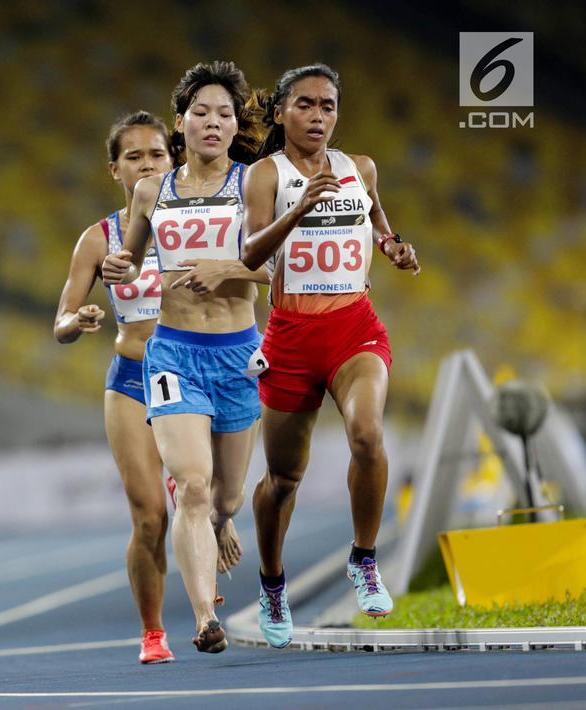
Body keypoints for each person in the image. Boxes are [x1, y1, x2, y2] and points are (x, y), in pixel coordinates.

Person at [239, 64, 420, 648]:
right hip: (290, 337)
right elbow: (249, 255)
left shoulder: (357, 167)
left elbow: (374, 215)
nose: (318, 117)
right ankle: (272, 584)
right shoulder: (266, 174)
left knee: (367, 436)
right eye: (305, 105)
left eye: (328, 106)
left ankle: (364, 559)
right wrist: (300, 209)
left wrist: (393, 246)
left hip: (353, 329)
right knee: (284, 479)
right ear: (282, 113)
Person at [102, 61, 269, 655]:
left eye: (225, 114)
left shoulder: (254, 184)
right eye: (201, 113)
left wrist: (226, 268)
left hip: (239, 353)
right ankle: (204, 619)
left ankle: (221, 522)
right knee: (192, 488)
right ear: (182, 122)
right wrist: (120, 264)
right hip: (173, 353)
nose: (213, 123)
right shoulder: (153, 190)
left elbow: (276, 270)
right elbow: (129, 258)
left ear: (234, 125)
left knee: (225, 498)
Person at [54, 111, 176, 664]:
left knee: (212, 503)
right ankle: (153, 632)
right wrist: (75, 323)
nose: (148, 164)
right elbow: (59, 321)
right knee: (150, 515)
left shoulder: (193, 223)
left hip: (192, 373)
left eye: (157, 154)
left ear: (173, 159)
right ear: (115, 170)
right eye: (135, 156)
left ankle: (205, 543)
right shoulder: (96, 239)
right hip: (130, 378)